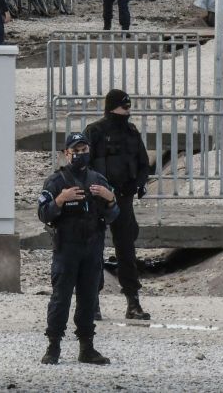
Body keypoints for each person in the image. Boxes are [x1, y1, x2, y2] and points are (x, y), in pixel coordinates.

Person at [38, 132, 119, 365]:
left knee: (88, 298)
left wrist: (110, 198)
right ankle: (53, 347)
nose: (81, 155)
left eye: (84, 151)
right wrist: (60, 200)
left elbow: (113, 216)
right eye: (76, 151)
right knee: (60, 298)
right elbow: (43, 214)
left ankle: (87, 348)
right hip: (66, 249)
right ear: (66, 153)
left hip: (92, 249)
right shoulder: (56, 182)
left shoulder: (98, 180)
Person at [84, 89, 152, 321]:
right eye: (124, 108)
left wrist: (140, 184)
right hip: (98, 199)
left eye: (129, 108)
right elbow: (84, 164)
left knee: (127, 250)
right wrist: (96, 190)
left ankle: (133, 302)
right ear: (112, 107)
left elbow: (143, 163)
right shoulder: (95, 131)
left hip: (123, 198)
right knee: (94, 251)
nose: (128, 112)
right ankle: (93, 302)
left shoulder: (131, 132)